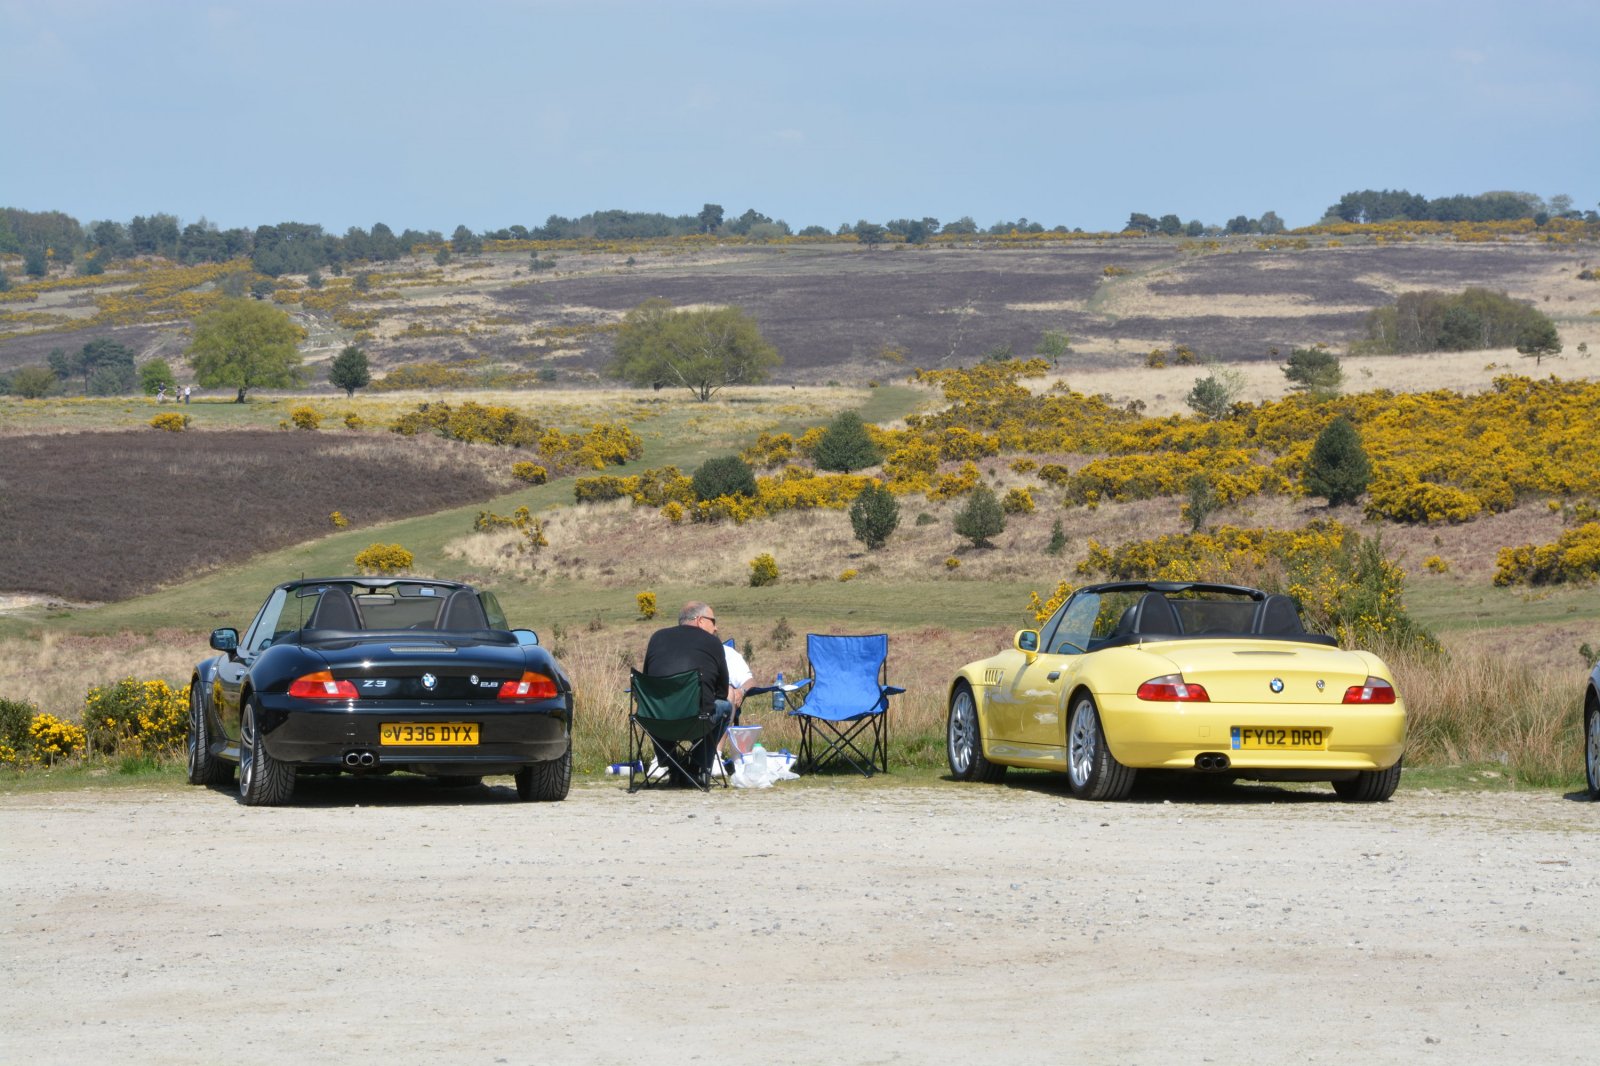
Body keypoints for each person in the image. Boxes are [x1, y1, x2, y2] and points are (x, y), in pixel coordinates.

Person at [642, 601, 731, 786]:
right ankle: (696, 768)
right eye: (713, 621)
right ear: (699, 620)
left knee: (654, 708)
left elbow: (647, 682)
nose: (716, 627)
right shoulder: (713, 643)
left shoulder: (657, 637)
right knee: (725, 707)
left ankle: (674, 766)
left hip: (657, 721)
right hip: (696, 720)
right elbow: (722, 692)